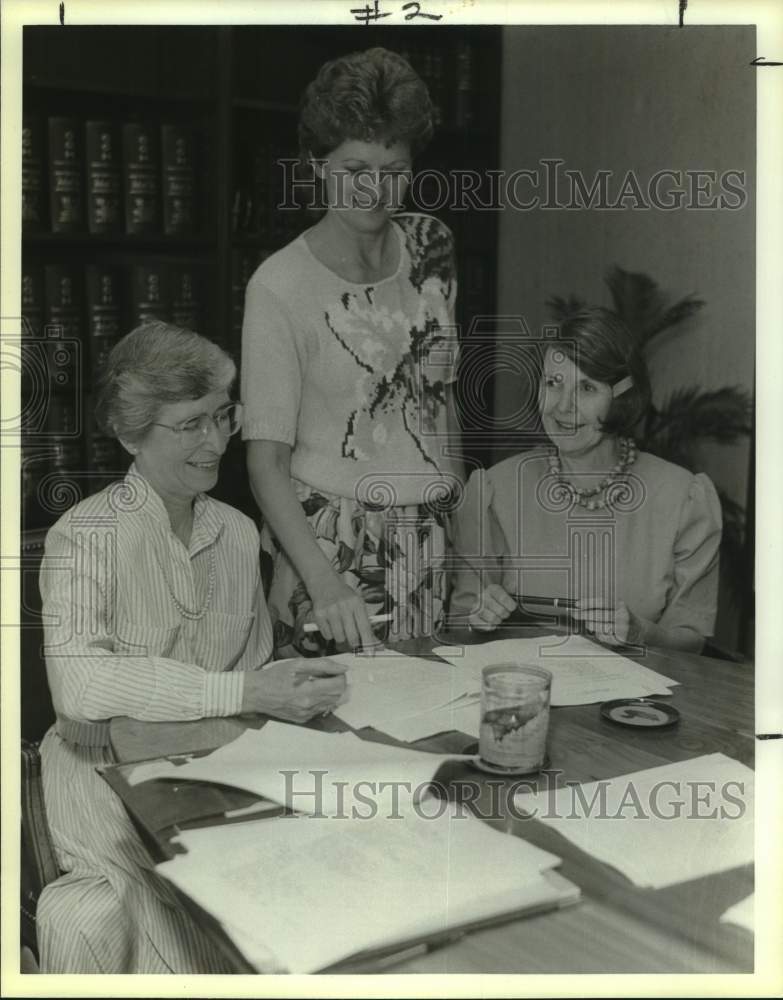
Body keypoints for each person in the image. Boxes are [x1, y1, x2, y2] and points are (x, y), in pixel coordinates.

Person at [36, 322, 347, 974]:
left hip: (207, 768)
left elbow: (253, 671)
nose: (215, 443)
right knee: (147, 920)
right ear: (131, 435)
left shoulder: (235, 533)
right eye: (189, 426)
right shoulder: (82, 535)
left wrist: (294, 669)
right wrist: (242, 693)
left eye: (222, 417)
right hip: (100, 785)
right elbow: (81, 690)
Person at [241, 47, 462, 658]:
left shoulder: (431, 245)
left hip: (428, 538)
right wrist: (322, 582)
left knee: (430, 736)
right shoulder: (278, 286)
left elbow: (440, 402)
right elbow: (265, 463)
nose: (375, 188)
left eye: (394, 166)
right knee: (337, 738)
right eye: (354, 166)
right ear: (318, 166)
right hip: (329, 544)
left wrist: (460, 540)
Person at [451, 307, 722, 653]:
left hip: (636, 704)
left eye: (587, 387)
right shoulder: (493, 490)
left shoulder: (685, 498)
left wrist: (641, 632)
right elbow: (462, 624)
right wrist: (480, 617)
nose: (563, 406)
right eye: (554, 383)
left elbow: (691, 643)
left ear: (623, 398)